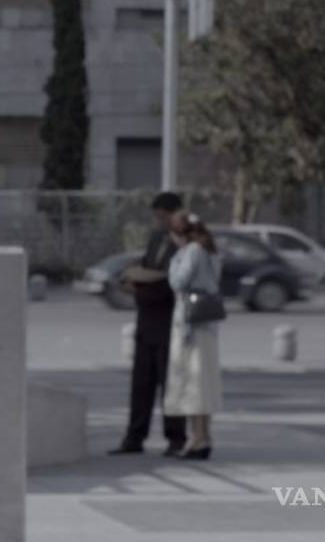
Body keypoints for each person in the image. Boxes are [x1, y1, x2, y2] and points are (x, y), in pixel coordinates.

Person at [110, 191, 188, 456]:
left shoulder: (185, 244)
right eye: (157, 217)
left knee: (171, 383)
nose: (160, 222)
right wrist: (130, 279)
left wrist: (138, 291)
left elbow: (172, 282)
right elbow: (146, 267)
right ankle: (134, 437)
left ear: (177, 214)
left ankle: (176, 438)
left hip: (169, 321)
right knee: (141, 383)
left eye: (164, 217)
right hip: (145, 321)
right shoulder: (156, 239)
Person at [162, 210, 223, 460]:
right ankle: (204, 436)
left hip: (191, 325)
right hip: (206, 324)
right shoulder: (209, 251)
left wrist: (175, 258)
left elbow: (178, 281)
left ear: (179, 234)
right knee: (204, 383)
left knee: (194, 382)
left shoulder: (191, 252)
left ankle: (197, 439)